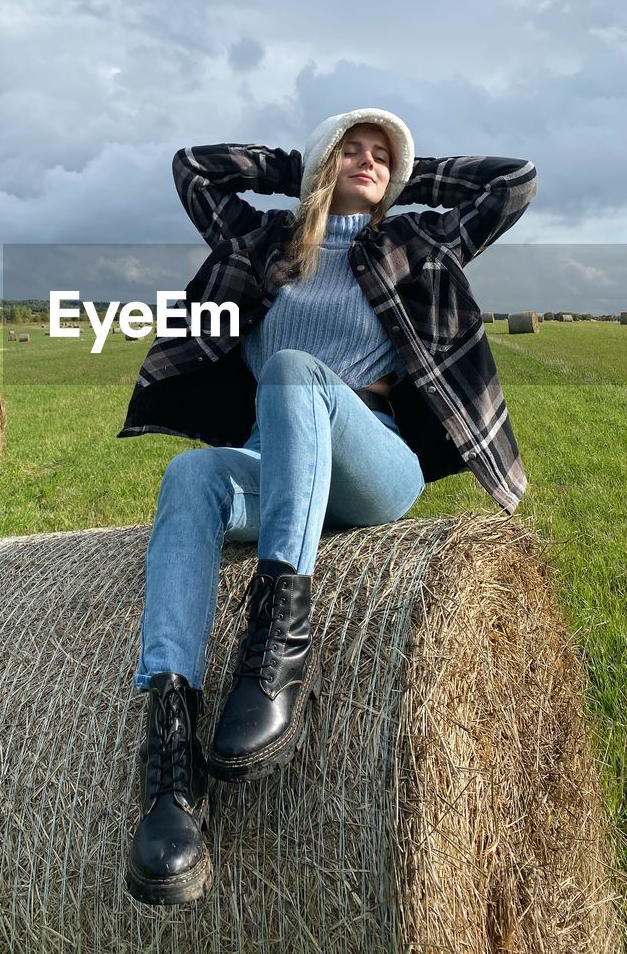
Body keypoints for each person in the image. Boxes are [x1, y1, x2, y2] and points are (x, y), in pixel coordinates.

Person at [119, 107, 538, 907]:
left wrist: (407, 171)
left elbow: (512, 182)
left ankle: (276, 647)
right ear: (323, 161)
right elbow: (193, 168)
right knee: (188, 477)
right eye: (356, 147)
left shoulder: (416, 241)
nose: (371, 160)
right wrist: (299, 167)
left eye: (385, 154)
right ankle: (172, 762)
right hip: (278, 466)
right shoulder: (266, 244)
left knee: (295, 369)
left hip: (373, 463)